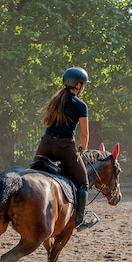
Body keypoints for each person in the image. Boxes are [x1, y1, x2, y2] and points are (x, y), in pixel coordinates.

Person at [35, 67, 91, 230]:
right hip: (64, 147)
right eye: (84, 85)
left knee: (32, 173)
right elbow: (85, 133)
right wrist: (83, 148)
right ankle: (79, 219)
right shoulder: (81, 105)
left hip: (45, 145)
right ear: (79, 85)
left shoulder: (55, 100)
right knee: (83, 183)